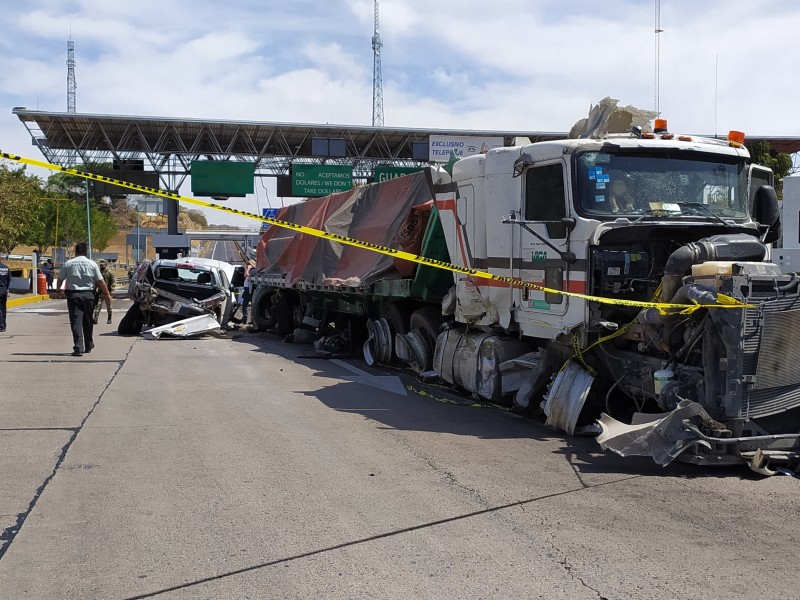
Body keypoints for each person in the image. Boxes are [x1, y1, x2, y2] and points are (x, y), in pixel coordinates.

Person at [57, 242, 112, 357]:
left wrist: (58, 291)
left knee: (76, 321)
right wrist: (107, 294)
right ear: (86, 252)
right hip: (89, 296)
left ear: (76, 252)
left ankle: (78, 347)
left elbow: (60, 278)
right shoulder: (92, 264)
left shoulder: (69, 263)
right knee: (88, 321)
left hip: (74, 296)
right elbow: (100, 281)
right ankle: (88, 344)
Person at [92, 260, 115, 324]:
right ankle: (95, 318)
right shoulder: (98, 272)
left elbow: (113, 281)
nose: (101, 266)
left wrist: (112, 290)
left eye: (102, 265)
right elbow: (96, 282)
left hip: (108, 292)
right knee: (98, 306)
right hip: (100, 292)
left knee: (109, 306)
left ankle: (109, 318)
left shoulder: (109, 273)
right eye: (100, 265)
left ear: (106, 265)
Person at [0, 258, 10, 332]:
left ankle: (1, 325)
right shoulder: (6, 268)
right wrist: (7, 290)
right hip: (4, 290)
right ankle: (4, 325)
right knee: (3, 308)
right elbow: (9, 280)